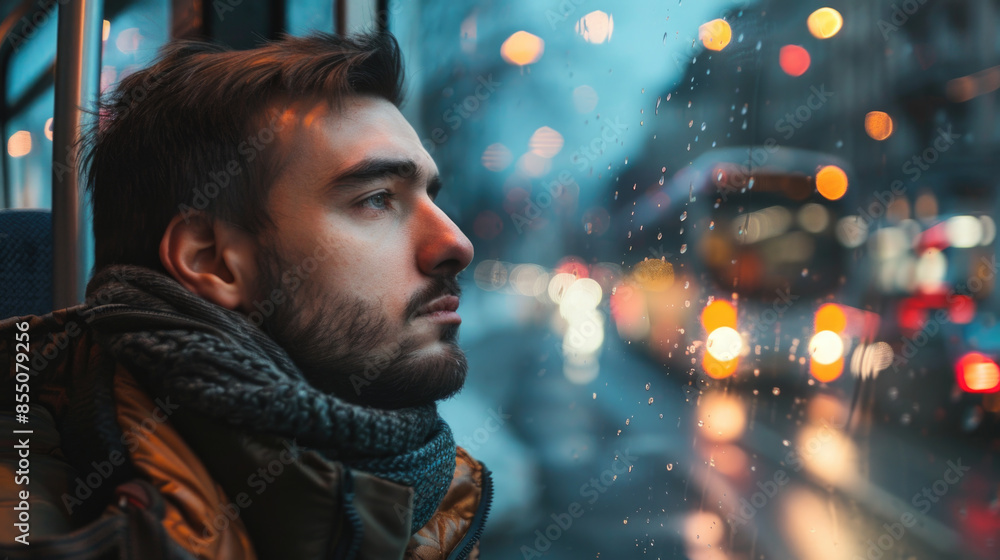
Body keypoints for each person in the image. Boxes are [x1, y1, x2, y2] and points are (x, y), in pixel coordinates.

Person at [0, 31, 490, 559]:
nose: (456, 244)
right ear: (212, 262)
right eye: (376, 200)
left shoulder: (425, 482)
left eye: (430, 197)